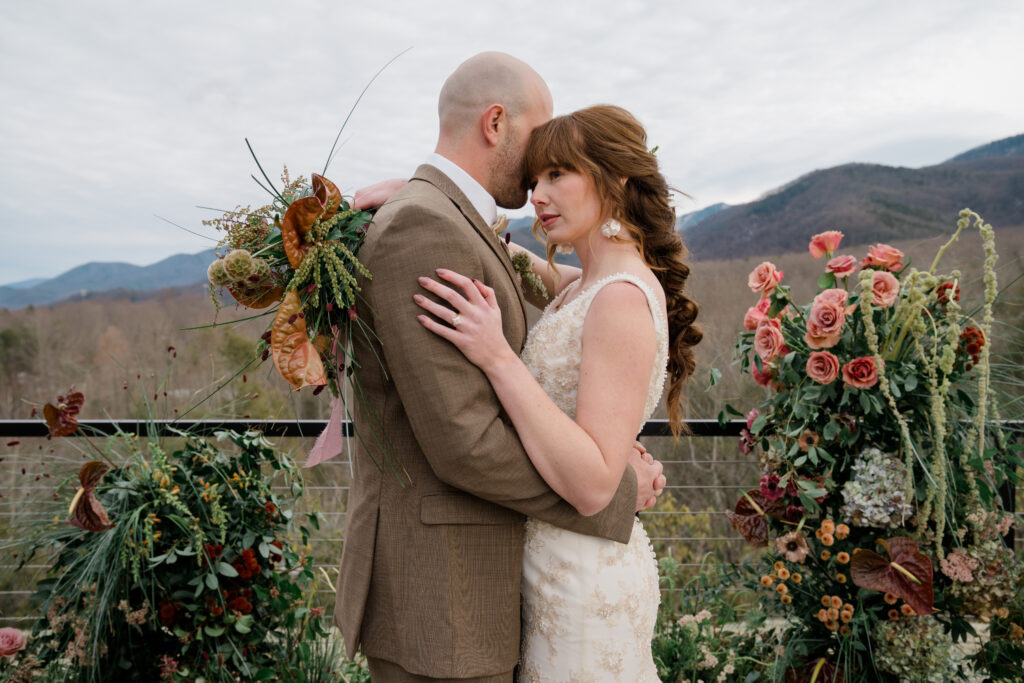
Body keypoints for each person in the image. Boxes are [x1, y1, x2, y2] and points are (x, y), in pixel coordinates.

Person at [333, 53, 666, 683]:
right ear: (495, 123)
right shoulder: (425, 227)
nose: (538, 188)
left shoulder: (607, 287)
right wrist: (612, 487)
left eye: (557, 171)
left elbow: (566, 290)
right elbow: (466, 443)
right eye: (539, 151)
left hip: (522, 583)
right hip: (445, 594)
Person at [414, 104, 702, 681]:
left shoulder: (619, 299)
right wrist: (423, 196)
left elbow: (596, 484)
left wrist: (497, 357)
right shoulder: (584, 285)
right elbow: (510, 256)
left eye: (557, 175)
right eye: (535, 177)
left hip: (583, 582)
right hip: (552, 565)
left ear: (615, 179)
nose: (537, 195)